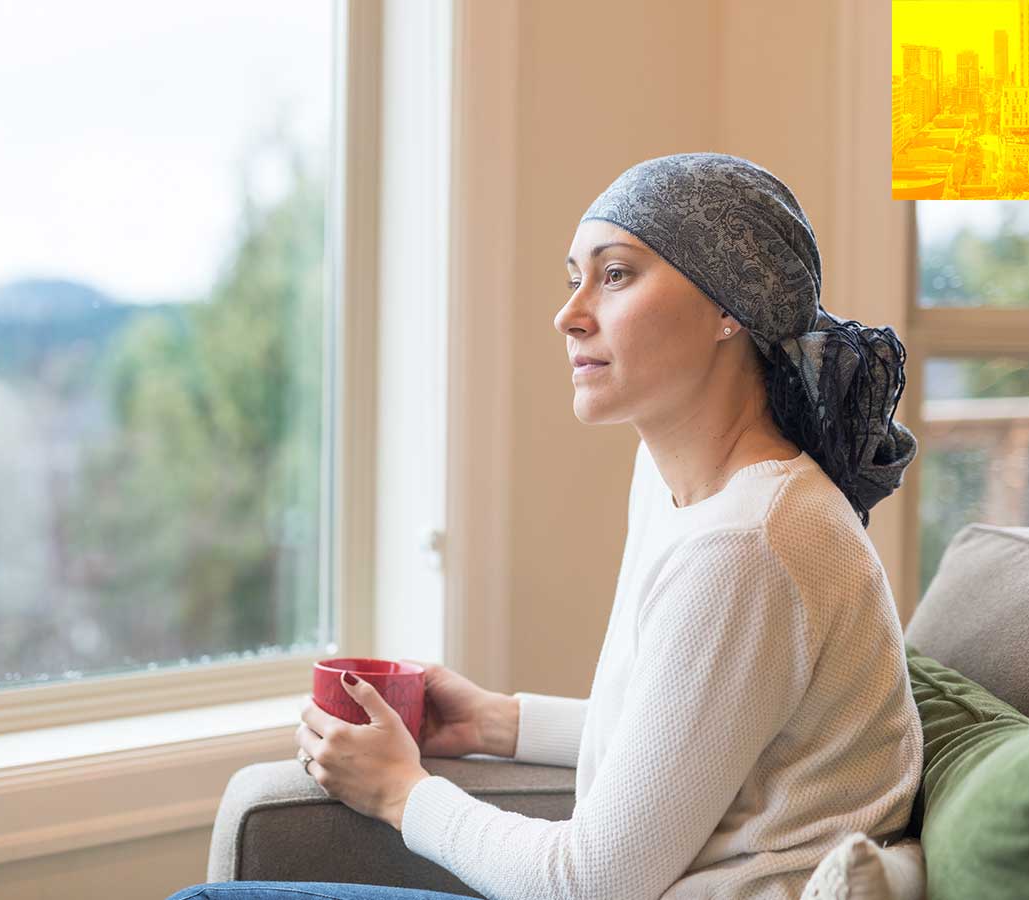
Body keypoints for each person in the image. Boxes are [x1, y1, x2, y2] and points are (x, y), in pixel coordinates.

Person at [165, 152, 923, 900]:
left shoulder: (750, 546)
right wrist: (500, 723)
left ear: (733, 306)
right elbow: (688, 739)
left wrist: (402, 793)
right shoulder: (681, 489)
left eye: (615, 274)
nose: (570, 313)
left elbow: (591, 883)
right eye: (574, 278)